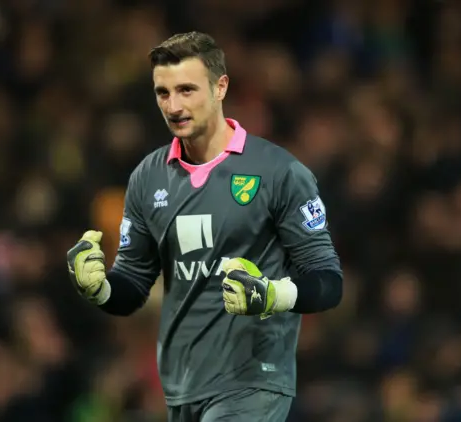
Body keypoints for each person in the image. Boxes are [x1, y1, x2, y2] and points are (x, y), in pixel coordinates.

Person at [67, 31, 343, 422]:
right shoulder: (148, 177)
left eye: (187, 90)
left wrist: (271, 295)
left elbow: (328, 281)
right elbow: (133, 286)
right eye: (163, 93)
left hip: (253, 380)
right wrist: (100, 288)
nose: (174, 106)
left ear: (220, 87)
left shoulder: (279, 172)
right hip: (181, 387)